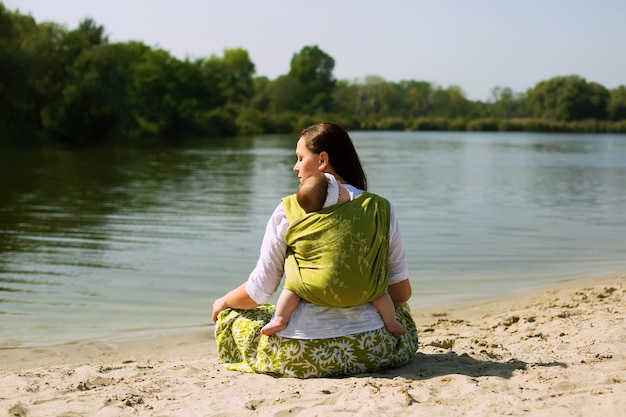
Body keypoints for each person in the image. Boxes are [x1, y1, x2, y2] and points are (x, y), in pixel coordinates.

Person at [212, 122, 418, 378]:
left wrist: (223, 302)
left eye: (300, 158)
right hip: (376, 349)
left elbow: (259, 291)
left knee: (234, 315)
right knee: (399, 312)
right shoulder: (380, 208)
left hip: (301, 353)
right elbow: (400, 293)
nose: (295, 167)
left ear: (322, 160)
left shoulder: (287, 210)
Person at [260, 172, 407, 337]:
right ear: (337, 196)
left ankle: (280, 318)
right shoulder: (366, 211)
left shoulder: (305, 220)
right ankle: (391, 323)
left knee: (292, 290)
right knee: (380, 293)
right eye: (340, 187)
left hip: (313, 289)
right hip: (363, 291)